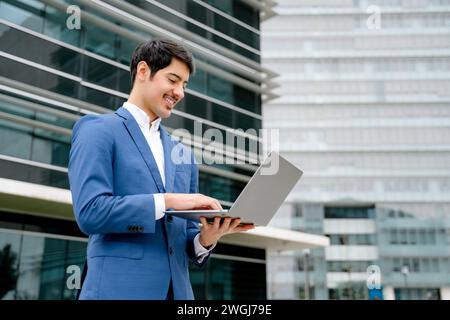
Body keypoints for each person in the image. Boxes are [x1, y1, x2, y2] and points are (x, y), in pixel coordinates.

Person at [68, 39, 254, 300]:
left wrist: (207, 238)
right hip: (116, 291)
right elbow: (91, 213)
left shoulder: (184, 156)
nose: (180, 92)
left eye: (184, 85)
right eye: (173, 80)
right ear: (143, 71)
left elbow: (186, 243)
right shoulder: (97, 130)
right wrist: (168, 201)